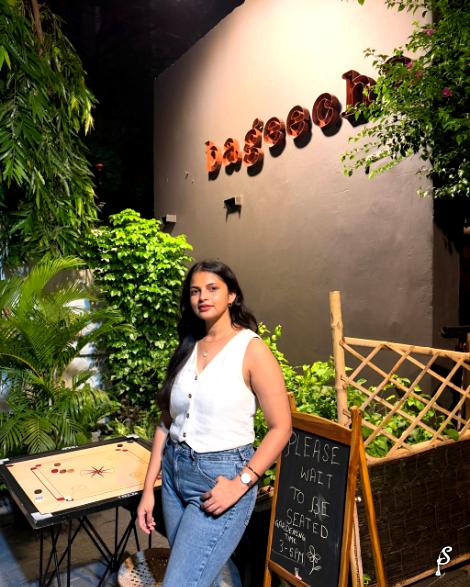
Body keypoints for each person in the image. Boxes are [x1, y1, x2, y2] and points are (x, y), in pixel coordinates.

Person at [137, 260, 292, 587]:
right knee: (200, 576)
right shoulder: (189, 345)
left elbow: (281, 428)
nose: (202, 297)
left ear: (232, 295)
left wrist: (241, 482)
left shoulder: (251, 349)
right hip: (174, 475)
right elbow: (166, 422)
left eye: (212, 289)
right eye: (195, 291)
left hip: (220, 479)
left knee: (180, 582)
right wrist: (148, 489)